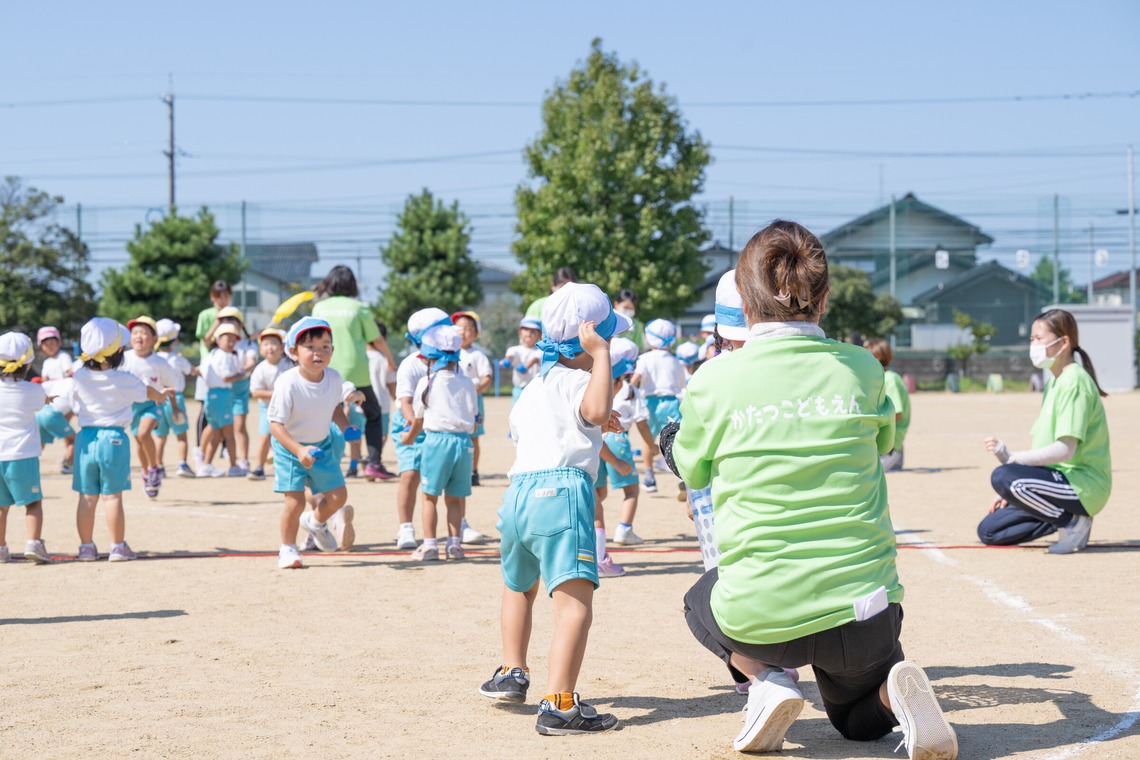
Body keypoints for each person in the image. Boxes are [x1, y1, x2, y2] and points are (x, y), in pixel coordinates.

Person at [670, 220, 957, 757]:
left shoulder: (714, 380)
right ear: (822, 299)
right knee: (855, 721)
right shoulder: (864, 368)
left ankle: (767, 680)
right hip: (865, 615)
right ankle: (894, 696)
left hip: (761, 616)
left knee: (696, 602)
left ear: (744, 306)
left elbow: (691, 470)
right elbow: (883, 442)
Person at [479, 282, 631, 736]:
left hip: (519, 493)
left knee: (518, 588)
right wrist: (601, 358)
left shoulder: (532, 388)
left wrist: (593, 416)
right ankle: (561, 703)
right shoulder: (586, 377)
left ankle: (511, 672)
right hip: (562, 492)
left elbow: (547, 428)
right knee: (574, 605)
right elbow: (595, 405)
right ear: (589, 341)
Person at [979, 308, 1111, 554]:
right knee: (990, 530)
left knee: (1002, 476)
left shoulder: (1075, 381)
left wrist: (1013, 461)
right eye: (1031, 339)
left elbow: (1065, 450)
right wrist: (1018, 490)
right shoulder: (1053, 383)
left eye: (1039, 338)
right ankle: (1061, 516)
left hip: (1082, 484)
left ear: (1064, 342)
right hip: (1055, 482)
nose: (1033, 344)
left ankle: (1073, 522)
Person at [70, 318, 175, 562]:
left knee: (86, 496)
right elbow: (147, 392)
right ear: (118, 351)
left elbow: (67, 395)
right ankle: (117, 546)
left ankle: (86, 547)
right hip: (113, 439)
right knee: (112, 496)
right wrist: (159, 396)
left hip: (85, 438)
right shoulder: (123, 378)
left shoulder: (79, 376)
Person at [268, 317, 353, 570]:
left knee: (339, 496)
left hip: (322, 445)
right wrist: (298, 449)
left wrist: (347, 427)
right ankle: (288, 549)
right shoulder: (287, 382)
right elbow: (275, 425)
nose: (319, 353)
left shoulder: (334, 378)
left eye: (325, 347)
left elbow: (335, 407)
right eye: (311, 347)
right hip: (289, 448)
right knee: (294, 502)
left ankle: (315, 523)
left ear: (333, 351)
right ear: (293, 352)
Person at [310, 265, 397, 482]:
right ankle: (373, 463)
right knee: (374, 413)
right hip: (356, 372)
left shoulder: (319, 308)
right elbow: (376, 339)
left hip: (326, 367)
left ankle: (323, 460)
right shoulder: (359, 308)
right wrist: (390, 359)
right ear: (352, 285)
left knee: (326, 414)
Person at [401, 324, 478, 561]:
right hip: (464, 443)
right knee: (455, 498)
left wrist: (408, 438)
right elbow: (474, 420)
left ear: (429, 358)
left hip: (437, 442)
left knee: (429, 496)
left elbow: (417, 420)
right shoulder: (467, 383)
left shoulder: (428, 382)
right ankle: (455, 544)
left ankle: (430, 545)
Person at [592, 336, 653, 579]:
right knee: (630, 490)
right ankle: (621, 532)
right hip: (616, 441)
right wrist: (652, 446)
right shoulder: (629, 390)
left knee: (598, 495)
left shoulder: (589, 385)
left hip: (595, 448)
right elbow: (641, 424)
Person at [392, 307, 448, 550]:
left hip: (437, 427)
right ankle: (405, 526)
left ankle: (460, 524)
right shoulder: (410, 365)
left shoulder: (450, 362)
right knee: (410, 475)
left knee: (441, 477)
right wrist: (414, 424)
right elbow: (404, 401)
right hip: (410, 424)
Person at [0, 332, 52, 564]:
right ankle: (33, 543)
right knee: (32, 502)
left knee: (1, 507)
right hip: (23, 455)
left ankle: (1, 548)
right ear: (28, 362)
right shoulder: (33, 390)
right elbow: (42, 402)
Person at [122, 316, 180, 498]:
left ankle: (154, 467)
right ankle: (147, 472)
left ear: (155, 339)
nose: (139, 336)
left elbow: (172, 386)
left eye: (145, 333)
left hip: (154, 404)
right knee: (139, 440)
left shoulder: (160, 362)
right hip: (132, 406)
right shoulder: (123, 358)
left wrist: (175, 407)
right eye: (135, 332)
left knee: (143, 433)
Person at [632, 318, 686, 497]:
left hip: (650, 403)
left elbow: (636, 378)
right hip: (672, 402)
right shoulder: (675, 360)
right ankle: (681, 476)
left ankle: (649, 477)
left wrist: (629, 390)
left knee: (648, 440)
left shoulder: (645, 358)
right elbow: (681, 383)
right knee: (677, 440)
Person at [203, 306, 257, 475]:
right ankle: (203, 459)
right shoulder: (217, 346)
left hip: (239, 390)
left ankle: (243, 460)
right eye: (224, 320)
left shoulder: (248, 343)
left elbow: (251, 361)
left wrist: (243, 370)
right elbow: (206, 340)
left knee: (238, 426)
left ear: (240, 324)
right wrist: (216, 324)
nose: (228, 323)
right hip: (222, 391)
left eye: (232, 320)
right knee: (215, 428)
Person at [197, 324, 245, 478]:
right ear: (218, 340)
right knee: (228, 433)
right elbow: (226, 377)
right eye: (228, 339)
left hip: (212, 395)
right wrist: (241, 375)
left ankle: (206, 464)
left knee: (216, 432)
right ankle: (233, 466)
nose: (231, 342)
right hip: (222, 394)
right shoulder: (223, 356)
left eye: (233, 339)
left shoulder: (212, 354)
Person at [248, 326, 294, 481]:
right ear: (260, 349)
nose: (270, 347)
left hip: (290, 409)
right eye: (265, 344)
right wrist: (277, 394)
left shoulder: (289, 365)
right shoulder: (260, 369)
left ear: (282, 347)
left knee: (291, 437)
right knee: (265, 436)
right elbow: (255, 392)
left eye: (273, 343)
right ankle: (259, 468)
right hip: (268, 409)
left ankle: (291, 466)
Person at [452, 311, 492, 486]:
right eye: (459, 328)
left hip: (473, 402)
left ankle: (473, 471)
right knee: (455, 435)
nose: (463, 332)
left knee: (473, 437)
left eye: (468, 329)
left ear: (476, 333)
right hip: (453, 402)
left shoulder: (477, 355)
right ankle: (457, 469)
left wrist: (476, 391)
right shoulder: (450, 352)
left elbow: (487, 376)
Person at [194, 280, 232, 457]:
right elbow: (205, 339)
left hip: (226, 369)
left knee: (226, 410)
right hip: (208, 369)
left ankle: (224, 447)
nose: (223, 301)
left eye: (226, 297)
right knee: (205, 409)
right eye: (219, 297)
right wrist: (218, 322)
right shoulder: (205, 314)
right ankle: (199, 446)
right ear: (212, 297)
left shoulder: (234, 314)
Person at [154, 319, 196, 479]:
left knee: (160, 436)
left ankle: (158, 466)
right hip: (175, 398)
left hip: (158, 399)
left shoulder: (155, 358)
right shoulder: (177, 358)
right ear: (175, 341)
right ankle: (182, 464)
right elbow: (189, 370)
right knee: (182, 435)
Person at [864, 338, 910, 472]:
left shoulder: (889, 379)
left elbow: (897, 414)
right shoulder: (884, 377)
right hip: (890, 444)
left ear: (877, 357)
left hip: (890, 445)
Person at [36, 326, 75, 473]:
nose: (50, 346)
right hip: (56, 409)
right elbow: (70, 375)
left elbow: (45, 380)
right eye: (46, 343)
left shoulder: (61, 358)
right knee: (73, 438)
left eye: (52, 342)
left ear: (58, 342)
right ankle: (68, 464)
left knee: (39, 443)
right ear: (42, 347)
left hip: (43, 411)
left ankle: (29, 465)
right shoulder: (57, 359)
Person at [365, 322, 397, 480]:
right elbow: (391, 385)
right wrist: (399, 401)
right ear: (382, 339)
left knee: (360, 434)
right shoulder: (384, 360)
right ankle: (373, 461)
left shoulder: (361, 358)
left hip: (360, 403)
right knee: (381, 435)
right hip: (381, 404)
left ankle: (360, 461)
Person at [504, 318, 543, 404]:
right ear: (520, 332)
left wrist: (526, 367)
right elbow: (510, 355)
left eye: (533, 331)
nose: (529, 333)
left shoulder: (540, 351)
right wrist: (507, 360)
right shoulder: (514, 349)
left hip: (536, 390)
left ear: (540, 334)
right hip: (519, 390)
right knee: (517, 415)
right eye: (526, 329)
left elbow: (535, 359)